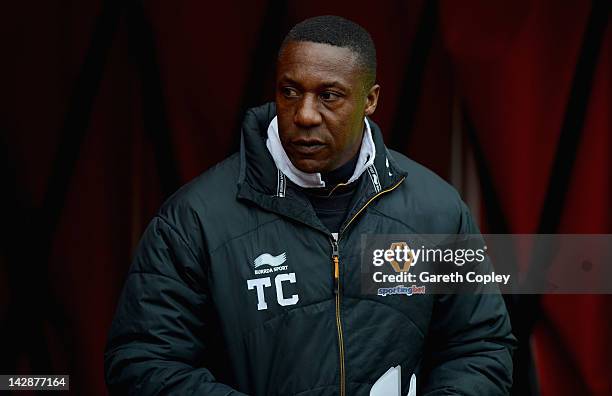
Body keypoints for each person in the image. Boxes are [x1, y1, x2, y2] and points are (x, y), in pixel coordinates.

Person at [104, 15, 515, 396]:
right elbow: (142, 361)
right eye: (290, 92)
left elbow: (479, 346)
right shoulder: (195, 219)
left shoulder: (436, 211)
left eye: (329, 96)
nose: (304, 115)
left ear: (370, 100)